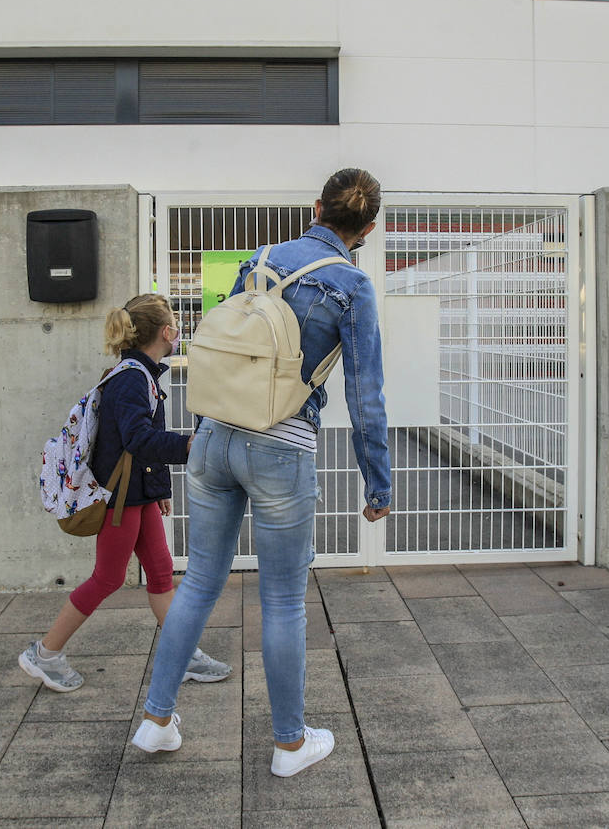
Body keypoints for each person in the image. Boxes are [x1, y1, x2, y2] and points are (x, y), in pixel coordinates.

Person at [131, 168, 392, 775]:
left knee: (197, 584)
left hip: (214, 437)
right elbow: (367, 395)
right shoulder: (351, 286)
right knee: (281, 601)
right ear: (369, 230)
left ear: (316, 206)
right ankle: (290, 744)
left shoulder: (262, 258)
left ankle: (157, 719)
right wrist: (377, 482)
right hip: (282, 445)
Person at [19, 294, 232, 692]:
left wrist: (159, 488)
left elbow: (132, 445)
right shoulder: (133, 378)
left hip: (137, 495)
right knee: (107, 578)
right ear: (167, 332)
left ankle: (182, 654)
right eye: (176, 325)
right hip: (120, 501)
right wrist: (189, 446)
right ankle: (44, 654)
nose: (179, 331)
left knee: (161, 575)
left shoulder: (141, 374)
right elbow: (138, 439)